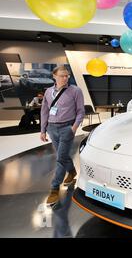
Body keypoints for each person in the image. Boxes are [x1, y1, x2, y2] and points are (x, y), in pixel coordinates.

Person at [40, 66, 85, 205]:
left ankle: (54, 189)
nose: (65, 78)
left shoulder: (75, 91)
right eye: (62, 76)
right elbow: (44, 111)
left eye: (67, 76)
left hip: (67, 128)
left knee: (60, 159)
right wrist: (43, 130)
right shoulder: (48, 91)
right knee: (63, 155)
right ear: (54, 76)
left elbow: (80, 111)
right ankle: (71, 172)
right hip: (52, 128)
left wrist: (74, 128)